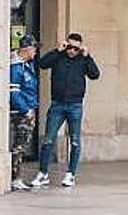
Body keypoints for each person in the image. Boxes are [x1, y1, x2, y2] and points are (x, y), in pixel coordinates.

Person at [31, 32, 100, 188]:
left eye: (75, 48)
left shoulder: (83, 60)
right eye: (69, 47)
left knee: (75, 141)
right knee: (48, 140)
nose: (71, 51)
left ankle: (71, 174)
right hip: (58, 104)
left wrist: (88, 56)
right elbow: (42, 64)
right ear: (65, 44)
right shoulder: (58, 57)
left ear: (80, 48)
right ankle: (43, 173)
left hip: (75, 105)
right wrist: (57, 50)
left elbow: (95, 75)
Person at [8, 35, 40, 191]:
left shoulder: (27, 65)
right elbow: (13, 92)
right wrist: (25, 110)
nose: (35, 52)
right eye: (34, 49)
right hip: (20, 113)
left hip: (27, 109)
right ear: (27, 49)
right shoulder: (16, 67)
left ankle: (16, 177)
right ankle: (14, 178)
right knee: (18, 147)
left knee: (21, 146)